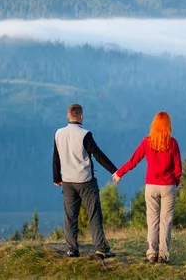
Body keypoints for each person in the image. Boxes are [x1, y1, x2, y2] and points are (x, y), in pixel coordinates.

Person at [113, 111, 182, 263]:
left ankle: (152, 253)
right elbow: (178, 169)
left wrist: (119, 173)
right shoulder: (173, 143)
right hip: (168, 186)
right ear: (168, 126)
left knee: (152, 220)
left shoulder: (147, 142)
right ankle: (164, 255)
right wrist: (175, 182)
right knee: (166, 221)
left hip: (151, 186)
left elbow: (133, 161)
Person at [53, 104, 117, 258]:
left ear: (68, 115)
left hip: (67, 181)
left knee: (70, 216)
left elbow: (56, 157)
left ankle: (71, 249)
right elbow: (98, 154)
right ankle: (101, 248)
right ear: (81, 116)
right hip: (85, 180)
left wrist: (56, 177)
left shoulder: (58, 133)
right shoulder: (85, 134)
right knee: (94, 214)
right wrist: (114, 170)